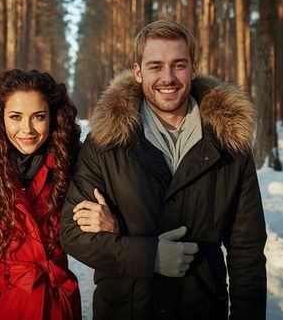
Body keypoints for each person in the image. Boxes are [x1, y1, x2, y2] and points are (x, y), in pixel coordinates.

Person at [60, 20, 267, 319]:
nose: (167, 78)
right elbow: (72, 233)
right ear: (138, 71)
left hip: (201, 309)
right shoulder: (107, 141)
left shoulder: (229, 143)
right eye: (156, 66)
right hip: (126, 309)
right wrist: (149, 256)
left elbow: (247, 249)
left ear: (193, 69)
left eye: (178, 65)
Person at [0, 69, 116, 319]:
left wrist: (111, 224)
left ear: (52, 118)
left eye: (38, 116)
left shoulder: (69, 166)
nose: (27, 129)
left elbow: (103, 239)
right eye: (15, 117)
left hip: (55, 307)